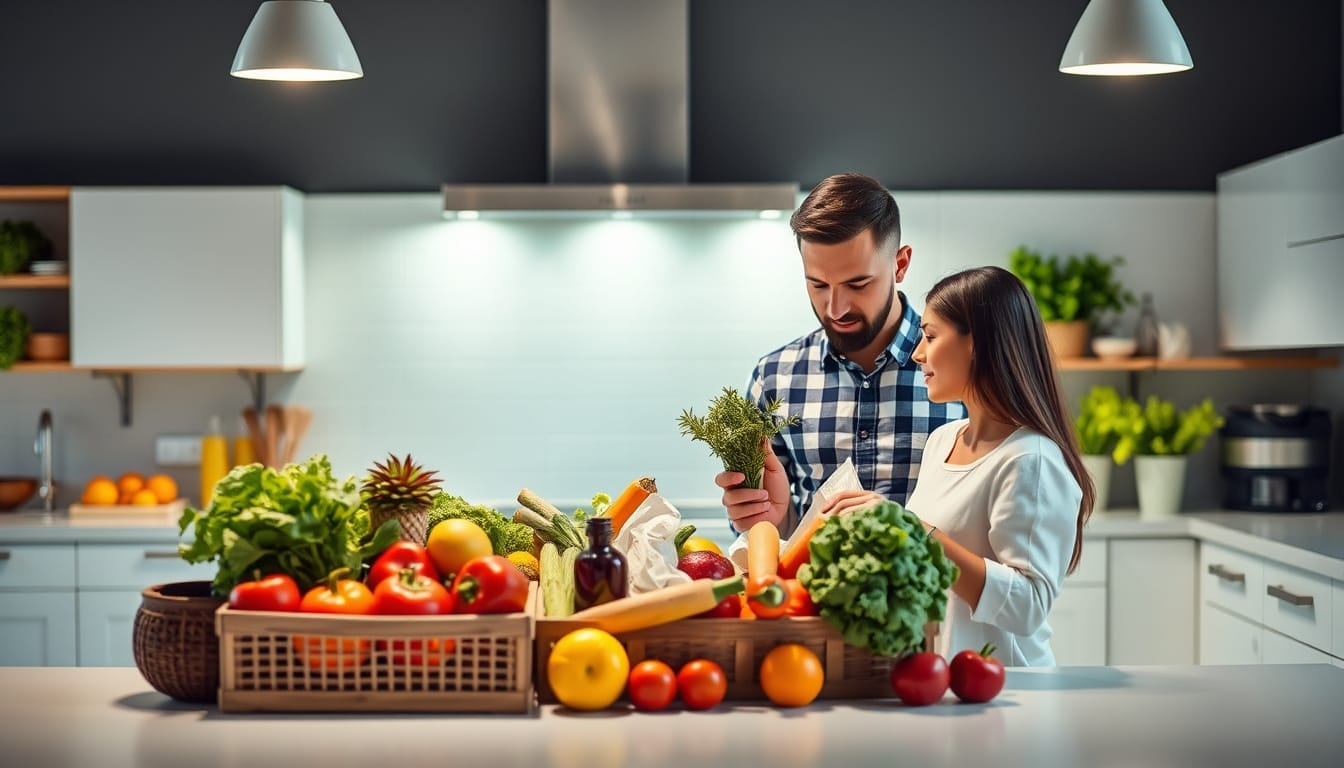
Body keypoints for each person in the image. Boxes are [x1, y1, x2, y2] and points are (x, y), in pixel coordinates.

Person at [822, 266, 1095, 666]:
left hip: (1011, 690)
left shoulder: (1031, 460)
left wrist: (913, 530)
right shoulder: (943, 441)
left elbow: (1029, 606)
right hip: (945, 680)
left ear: (978, 344)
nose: (917, 353)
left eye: (931, 336)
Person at [715, 173, 966, 537]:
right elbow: (773, 542)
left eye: (857, 284)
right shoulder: (774, 378)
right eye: (817, 284)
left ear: (900, 264)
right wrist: (765, 523)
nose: (836, 308)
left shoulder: (962, 367)